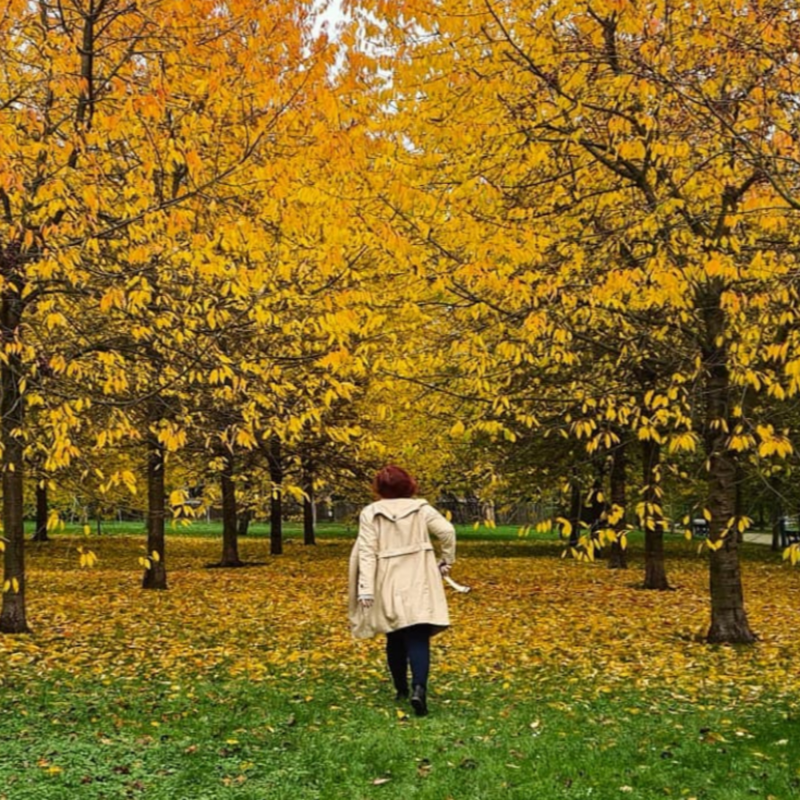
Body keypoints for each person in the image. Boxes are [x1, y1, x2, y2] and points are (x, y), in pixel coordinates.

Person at [348, 465, 456, 716]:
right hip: (420, 577)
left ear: (379, 488)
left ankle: (401, 689)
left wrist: (366, 589)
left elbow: (366, 551)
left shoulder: (371, 513)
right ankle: (419, 688)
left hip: (387, 579)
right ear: (409, 485)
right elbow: (447, 531)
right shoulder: (421, 509)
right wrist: (446, 560)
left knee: (394, 633)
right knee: (418, 633)